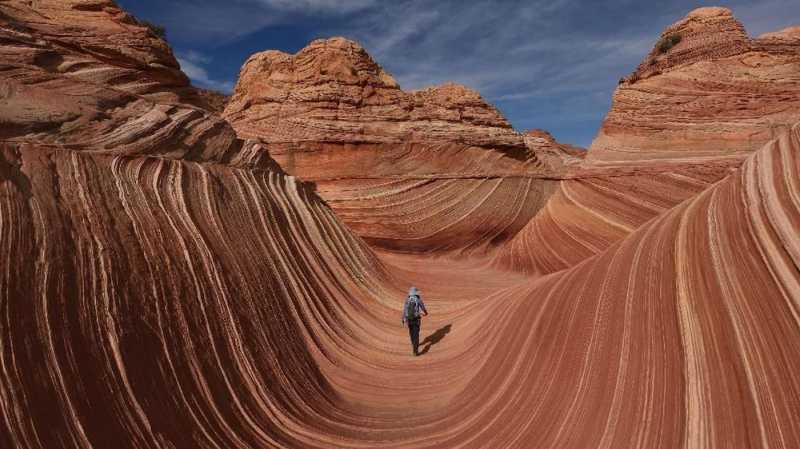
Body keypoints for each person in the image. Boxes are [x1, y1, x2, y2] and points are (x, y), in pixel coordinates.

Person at [401, 286, 428, 356]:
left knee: (411, 332)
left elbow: (404, 310)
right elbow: (423, 307)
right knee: (416, 334)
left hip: (408, 319)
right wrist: (426, 313)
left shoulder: (407, 300)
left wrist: (403, 319)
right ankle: (415, 351)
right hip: (416, 319)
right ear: (416, 293)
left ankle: (413, 344)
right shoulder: (418, 299)